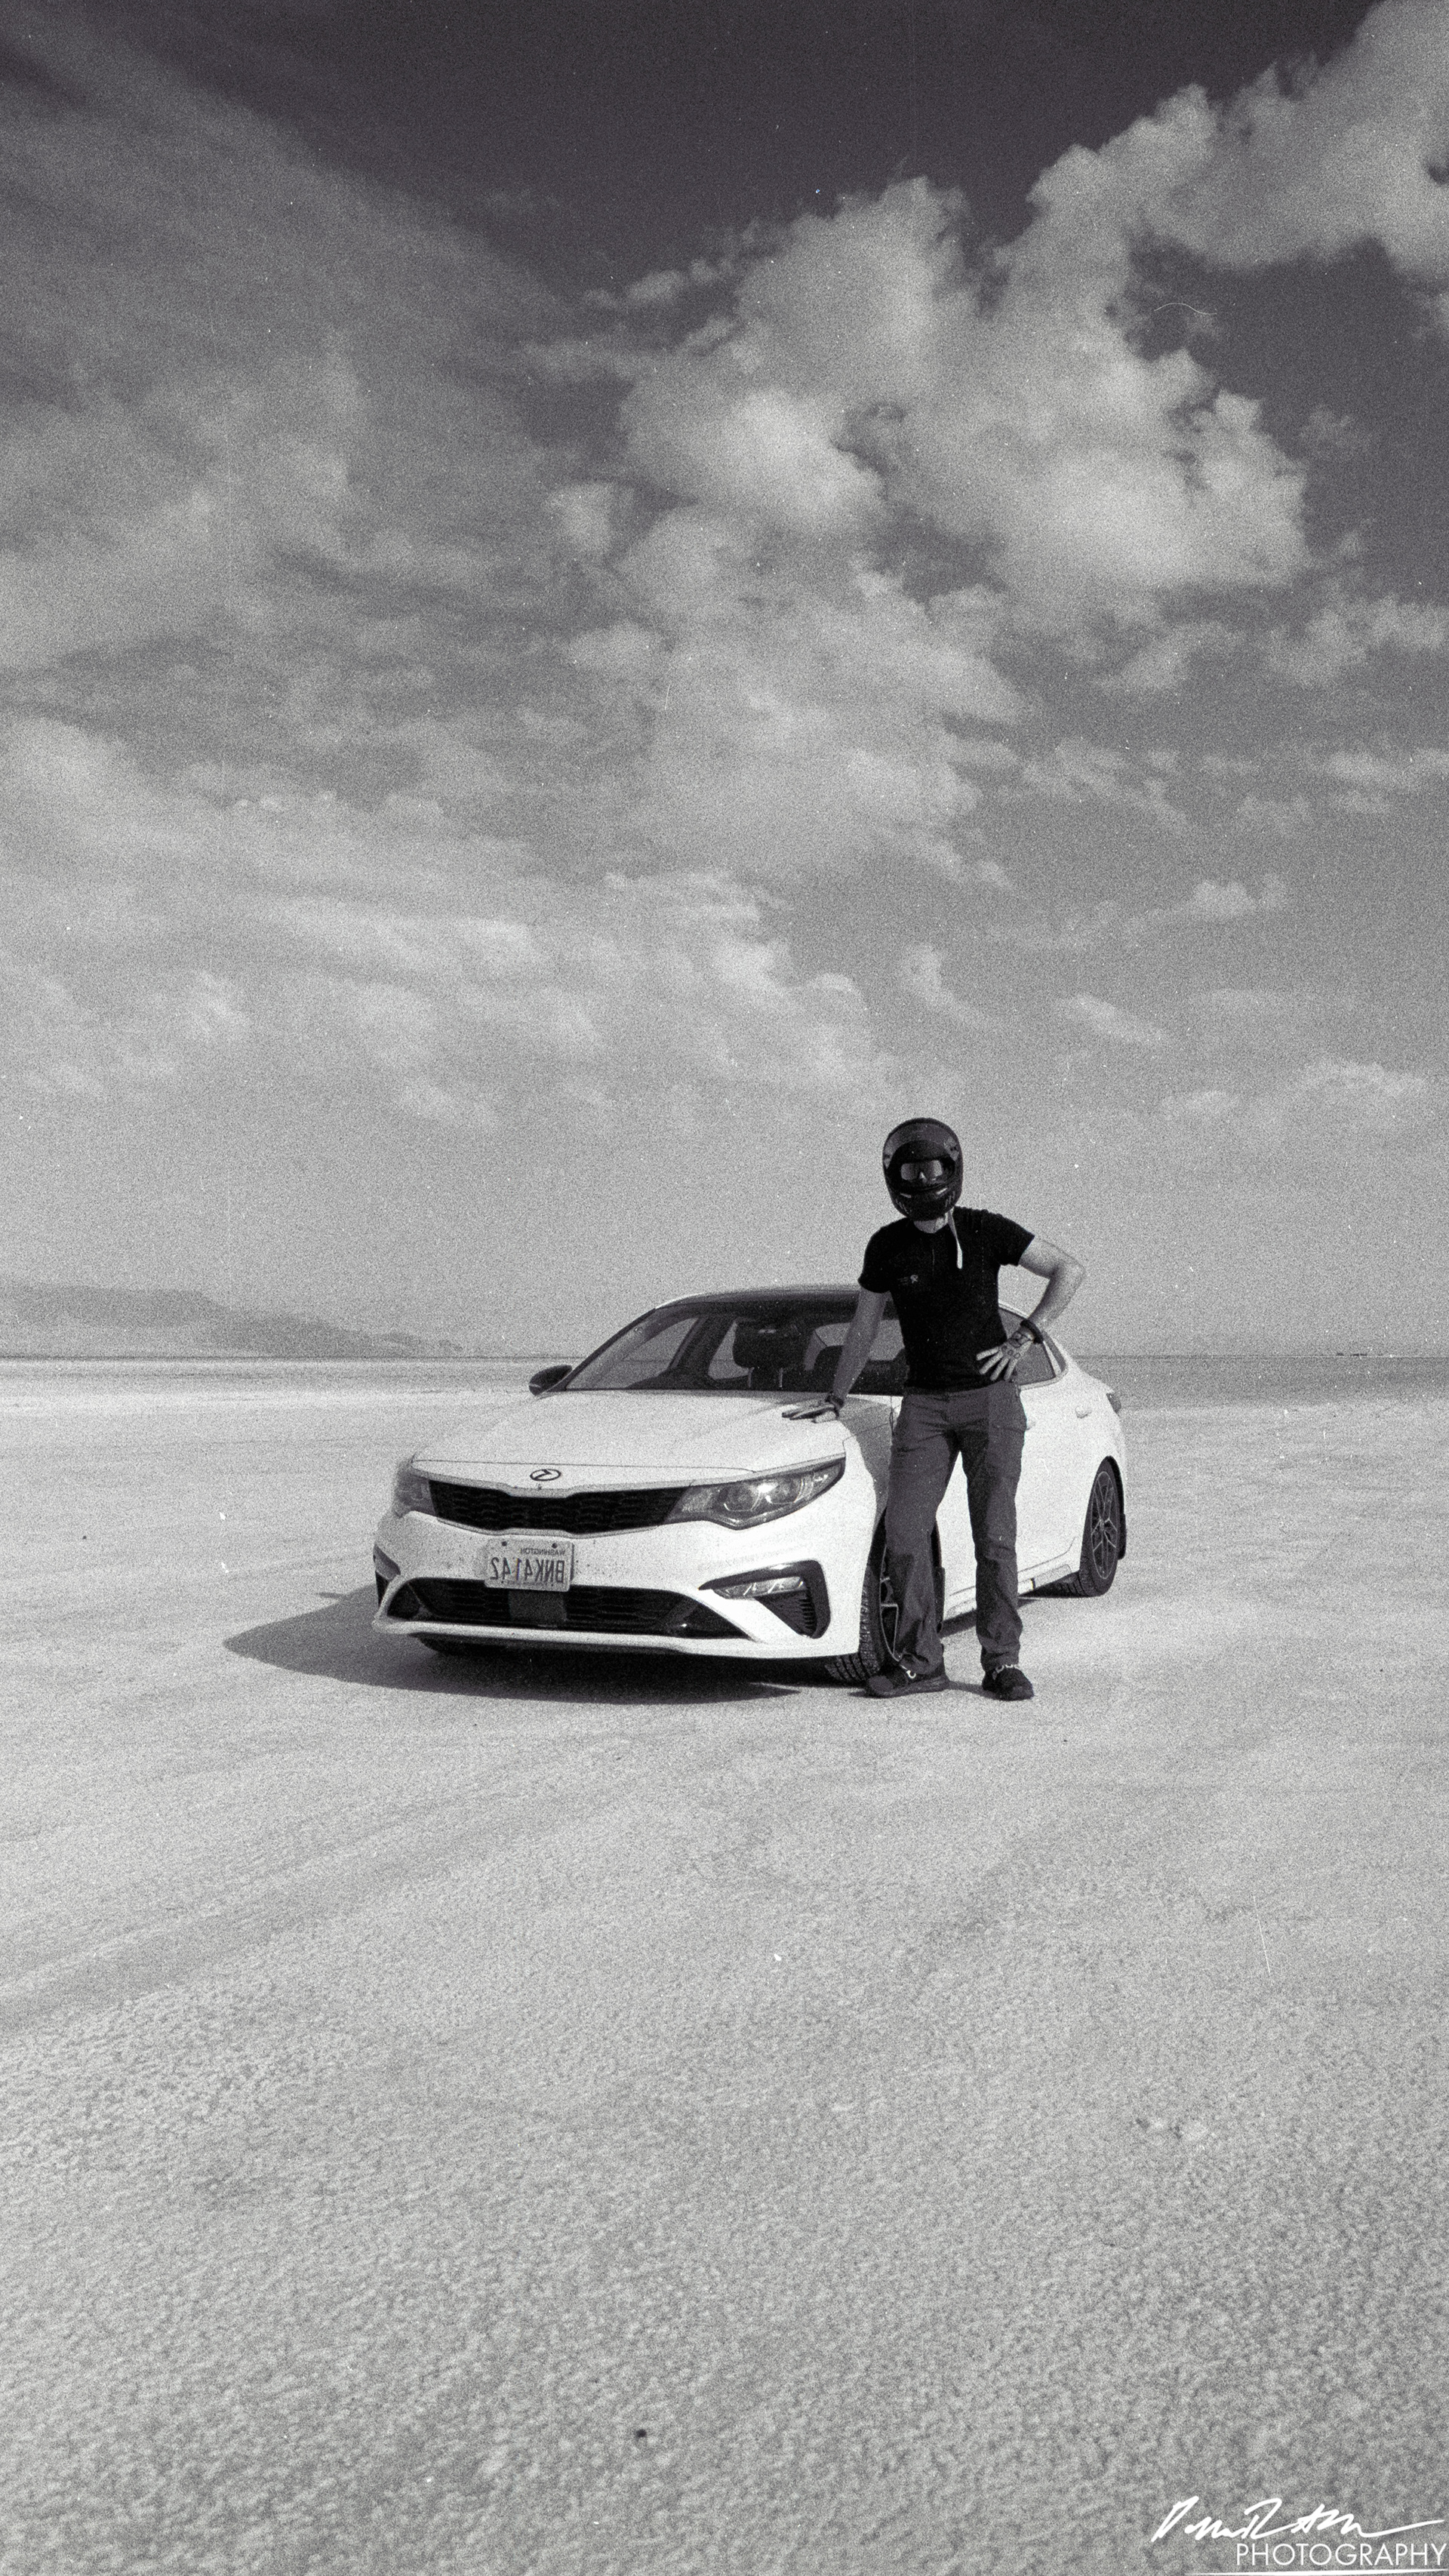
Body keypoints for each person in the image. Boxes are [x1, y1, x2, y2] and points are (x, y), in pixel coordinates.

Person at [828, 1117, 1084, 1702]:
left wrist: (1027, 1336)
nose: (923, 1179)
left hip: (990, 1402)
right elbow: (863, 1328)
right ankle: (922, 1662)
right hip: (923, 1404)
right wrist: (836, 1393)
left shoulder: (986, 1229)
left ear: (952, 1167)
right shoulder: (886, 1245)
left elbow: (1068, 1268)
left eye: (933, 1168)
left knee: (994, 1533)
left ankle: (1002, 1660)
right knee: (904, 1532)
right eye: (912, 1170)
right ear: (895, 1175)